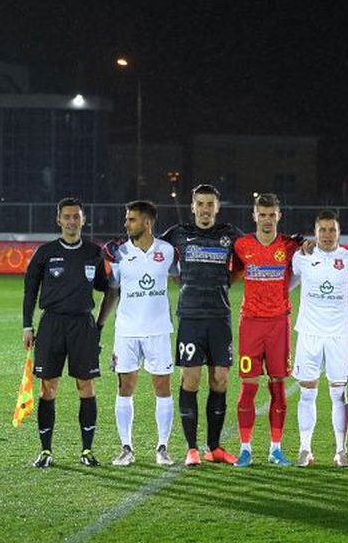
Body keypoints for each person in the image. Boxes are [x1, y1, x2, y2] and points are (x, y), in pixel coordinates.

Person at [24, 198, 115, 468]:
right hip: (51, 324)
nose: (72, 221)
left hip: (82, 326)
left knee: (86, 386)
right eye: (67, 216)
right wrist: (27, 325)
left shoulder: (93, 252)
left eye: (76, 217)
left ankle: (87, 450)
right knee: (47, 388)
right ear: (59, 220)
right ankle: (46, 451)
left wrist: (98, 325)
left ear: (83, 220)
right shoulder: (45, 252)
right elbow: (30, 289)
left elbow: (109, 288)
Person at [159, 184, 243, 467]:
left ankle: (215, 447)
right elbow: (156, 253)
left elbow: (246, 261)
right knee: (191, 380)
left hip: (220, 316)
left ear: (217, 208)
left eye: (210, 204)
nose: (205, 209)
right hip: (191, 317)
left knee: (220, 378)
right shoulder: (178, 234)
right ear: (193, 206)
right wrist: (176, 277)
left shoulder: (229, 235)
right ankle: (192, 448)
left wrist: (224, 283)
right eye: (200, 204)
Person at [95, 201, 176, 466]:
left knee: (162, 387)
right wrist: (99, 324)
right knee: (125, 387)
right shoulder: (118, 253)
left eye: (131, 220)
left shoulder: (167, 251)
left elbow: (181, 279)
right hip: (127, 332)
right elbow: (113, 289)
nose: (126, 224)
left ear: (147, 223)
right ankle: (126, 447)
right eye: (127, 219)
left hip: (158, 330)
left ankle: (162, 448)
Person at [230, 193, 301, 467]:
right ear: (254, 216)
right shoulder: (242, 245)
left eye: (272, 215)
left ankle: (275, 449)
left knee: (277, 388)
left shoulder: (289, 246)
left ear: (279, 216)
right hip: (250, 324)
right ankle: (245, 449)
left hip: (278, 324)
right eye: (263, 215)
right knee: (248, 388)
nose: (267, 220)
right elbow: (232, 274)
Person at [290, 211, 348, 467]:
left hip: (339, 336)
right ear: (315, 231)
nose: (327, 234)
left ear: (339, 232)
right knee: (307, 394)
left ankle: (340, 450)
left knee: (338, 394)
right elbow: (287, 285)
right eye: (322, 229)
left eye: (332, 229)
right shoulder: (302, 258)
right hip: (309, 334)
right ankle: (304, 448)